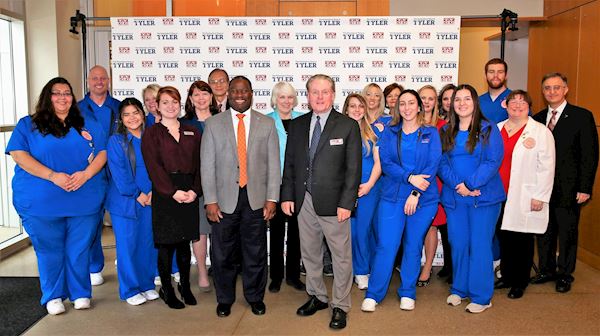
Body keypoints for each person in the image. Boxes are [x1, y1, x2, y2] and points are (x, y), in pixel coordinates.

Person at [6, 77, 107, 314]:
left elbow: (102, 152)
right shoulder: (28, 125)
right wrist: (53, 176)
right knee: (49, 249)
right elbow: (19, 154)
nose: (63, 97)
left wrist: (85, 174)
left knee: (79, 248)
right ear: (47, 97)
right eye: (56, 92)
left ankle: (81, 292)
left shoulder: (87, 123)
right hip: (41, 201)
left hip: (83, 198)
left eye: (67, 93)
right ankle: (53, 296)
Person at [281, 74, 361, 330]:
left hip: (335, 203)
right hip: (303, 201)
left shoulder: (348, 125)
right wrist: (286, 196)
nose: (319, 96)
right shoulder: (296, 125)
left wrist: (347, 203)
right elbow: (290, 165)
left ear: (333, 94)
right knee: (311, 254)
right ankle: (317, 296)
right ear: (307, 96)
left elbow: (353, 169)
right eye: (314, 92)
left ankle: (340, 305)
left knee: (340, 257)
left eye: (325, 91)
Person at [201, 76, 280, 317]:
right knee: (222, 253)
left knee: (255, 252)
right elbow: (207, 165)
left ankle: (255, 297)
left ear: (251, 93)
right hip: (224, 200)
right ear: (228, 93)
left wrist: (272, 198)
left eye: (244, 91)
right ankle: (224, 299)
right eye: (234, 90)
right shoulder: (213, 124)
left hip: (256, 199)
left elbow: (274, 164)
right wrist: (210, 201)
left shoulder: (266, 123)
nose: (239, 94)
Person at [361, 89, 441, 312]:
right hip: (392, 196)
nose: (406, 107)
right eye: (402, 103)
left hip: (422, 199)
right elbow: (386, 163)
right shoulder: (389, 132)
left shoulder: (431, 133)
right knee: (386, 245)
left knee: (413, 245)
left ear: (419, 107)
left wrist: (415, 193)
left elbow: (433, 164)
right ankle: (374, 294)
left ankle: (407, 291)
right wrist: (408, 178)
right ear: (397, 108)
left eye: (411, 103)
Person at [439, 84, 505, 314]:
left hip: (483, 198)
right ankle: (460, 288)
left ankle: (481, 296)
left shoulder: (488, 129)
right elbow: (441, 163)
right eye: (458, 99)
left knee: (479, 245)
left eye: (467, 99)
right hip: (455, 197)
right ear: (452, 104)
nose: (462, 103)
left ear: (475, 102)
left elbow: (493, 161)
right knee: (458, 243)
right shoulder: (446, 130)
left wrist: (470, 185)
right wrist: (458, 185)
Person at [531, 73, 599, 293]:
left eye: (557, 88)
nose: (552, 92)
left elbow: (590, 155)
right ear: (543, 91)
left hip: (570, 188)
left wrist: (585, 187)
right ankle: (546, 269)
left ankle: (564, 274)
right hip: (542, 187)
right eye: (547, 88)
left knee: (567, 232)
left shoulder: (581, 116)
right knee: (544, 231)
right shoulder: (538, 119)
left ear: (566, 89)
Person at [142, 86, 202, 309]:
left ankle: (185, 286)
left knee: (184, 244)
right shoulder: (152, 133)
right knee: (166, 245)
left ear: (181, 104)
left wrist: (195, 190)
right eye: (165, 102)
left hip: (189, 191)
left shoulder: (193, 131)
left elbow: (199, 164)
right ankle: (166, 288)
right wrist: (172, 192)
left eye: (175, 102)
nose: (170, 106)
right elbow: (153, 167)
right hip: (165, 192)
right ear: (157, 105)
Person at [495, 90, 555, 299]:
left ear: (529, 106)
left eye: (523, 101)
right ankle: (507, 276)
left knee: (522, 239)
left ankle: (520, 281)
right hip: (498, 194)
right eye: (514, 101)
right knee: (504, 237)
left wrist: (540, 196)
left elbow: (547, 167)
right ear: (506, 105)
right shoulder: (497, 129)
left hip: (524, 194)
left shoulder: (540, 131)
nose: (518, 105)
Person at [106, 98, 159, 305]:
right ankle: (129, 289)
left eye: (135, 112)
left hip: (151, 199)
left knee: (147, 244)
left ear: (142, 113)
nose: (132, 118)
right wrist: (138, 194)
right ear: (121, 118)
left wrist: (155, 191)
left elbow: (161, 166)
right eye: (126, 114)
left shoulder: (152, 137)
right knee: (128, 246)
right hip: (126, 201)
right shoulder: (116, 141)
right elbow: (120, 174)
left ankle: (146, 284)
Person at [78, 65, 121, 286]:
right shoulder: (76, 109)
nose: (99, 82)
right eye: (94, 78)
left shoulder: (120, 107)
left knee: (123, 221)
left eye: (103, 78)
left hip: (118, 174)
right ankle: (95, 266)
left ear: (109, 80)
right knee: (91, 222)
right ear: (88, 81)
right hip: (91, 175)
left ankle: (126, 263)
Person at [265, 81, 305, 293]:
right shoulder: (266, 121)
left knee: (297, 233)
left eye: (290, 97)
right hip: (275, 185)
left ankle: (293, 276)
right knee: (277, 232)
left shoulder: (303, 120)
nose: (286, 101)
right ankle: (276, 277)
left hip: (298, 185)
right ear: (275, 99)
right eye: (282, 97)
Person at [181, 80, 219, 292]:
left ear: (212, 97)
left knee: (221, 231)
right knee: (200, 231)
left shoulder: (223, 120)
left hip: (221, 184)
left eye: (205, 94)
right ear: (191, 99)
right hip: (195, 185)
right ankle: (203, 273)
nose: (201, 98)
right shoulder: (183, 124)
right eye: (197, 95)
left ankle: (220, 270)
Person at [342, 94, 381, 291]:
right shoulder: (338, 131)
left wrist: (369, 185)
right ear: (346, 109)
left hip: (369, 189)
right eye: (352, 106)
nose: (356, 110)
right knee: (350, 232)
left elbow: (378, 162)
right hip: (345, 191)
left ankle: (364, 270)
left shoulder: (373, 132)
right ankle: (353, 270)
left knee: (364, 231)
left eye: (360, 106)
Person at [417, 85, 448, 287]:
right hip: (412, 180)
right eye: (423, 98)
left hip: (436, 181)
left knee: (431, 226)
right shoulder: (409, 123)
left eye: (430, 98)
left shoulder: (444, 126)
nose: (427, 102)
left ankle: (427, 267)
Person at [436, 83, 457, 281]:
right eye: (445, 98)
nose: (449, 102)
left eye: (453, 98)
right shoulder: (440, 125)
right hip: (440, 179)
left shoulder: (465, 125)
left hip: (455, 182)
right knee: (443, 226)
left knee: (452, 228)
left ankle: (454, 267)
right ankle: (449, 265)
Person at [479, 58, 511, 123]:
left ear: (506, 75)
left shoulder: (515, 100)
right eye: (491, 72)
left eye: (500, 72)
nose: (495, 75)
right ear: (485, 75)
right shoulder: (477, 101)